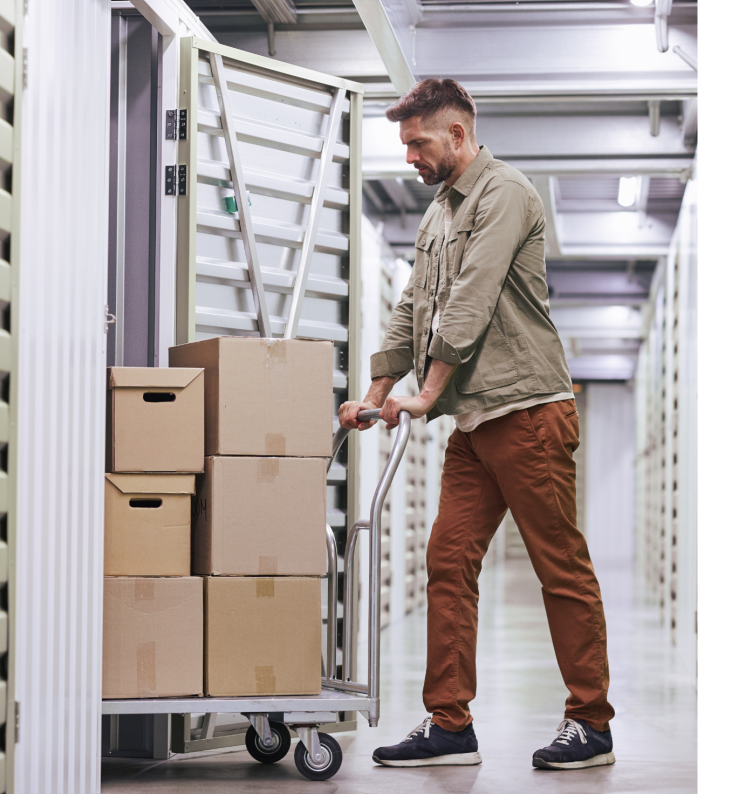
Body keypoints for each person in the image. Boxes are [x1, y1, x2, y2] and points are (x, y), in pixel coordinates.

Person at [339, 78, 615, 771]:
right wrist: (374, 394)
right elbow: (413, 311)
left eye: (416, 143)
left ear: (457, 135)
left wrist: (426, 395)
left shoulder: (507, 195)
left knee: (561, 567)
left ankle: (591, 722)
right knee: (447, 560)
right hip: (474, 425)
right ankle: (449, 724)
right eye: (403, 145)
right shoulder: (438, 213)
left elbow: (471, 302)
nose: (409, 157)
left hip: (529, 413)